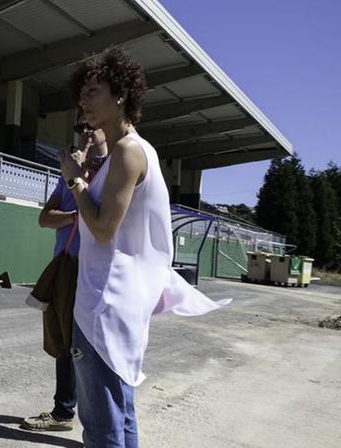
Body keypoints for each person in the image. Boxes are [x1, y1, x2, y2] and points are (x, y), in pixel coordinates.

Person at [60, 46, 230, 447]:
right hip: (120, 303)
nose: (83, 99)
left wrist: (74, 181)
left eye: (94, 90)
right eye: (82, 92)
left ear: (121, 95)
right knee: (122, 416)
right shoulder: (139, 150)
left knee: (102, 427)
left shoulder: (127, 151)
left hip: (105, 304)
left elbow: (103, 230)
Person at [21, 114, 107, 432]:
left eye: (90, 126)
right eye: (79, 127)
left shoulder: (106, 169)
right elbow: (45, 217)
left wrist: (76, 208)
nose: (83, 133)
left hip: (92, 272)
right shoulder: (66, 173)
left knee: (85, 346)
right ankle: (64, 411)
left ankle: (82, 415)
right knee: (63, 341)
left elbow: (102, 218)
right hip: (64, 267)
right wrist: (73, 215)